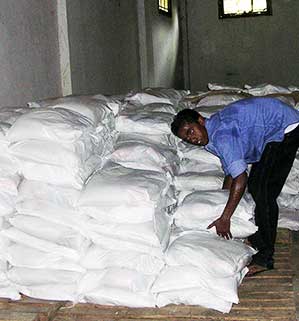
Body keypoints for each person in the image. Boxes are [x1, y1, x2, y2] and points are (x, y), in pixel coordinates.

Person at [171, 97, 299, 276]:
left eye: (191, 131)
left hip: (286, 127)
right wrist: (219, 201)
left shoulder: (222, 136)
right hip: (274, 127)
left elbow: (240, 177)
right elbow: (231, 172)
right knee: (259, 188)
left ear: (200, 120)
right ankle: (258, 239)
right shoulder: (212, 135)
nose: (192, 138)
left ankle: (265, 256)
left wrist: (225, 217)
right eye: (187, 138)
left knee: (262, 192)